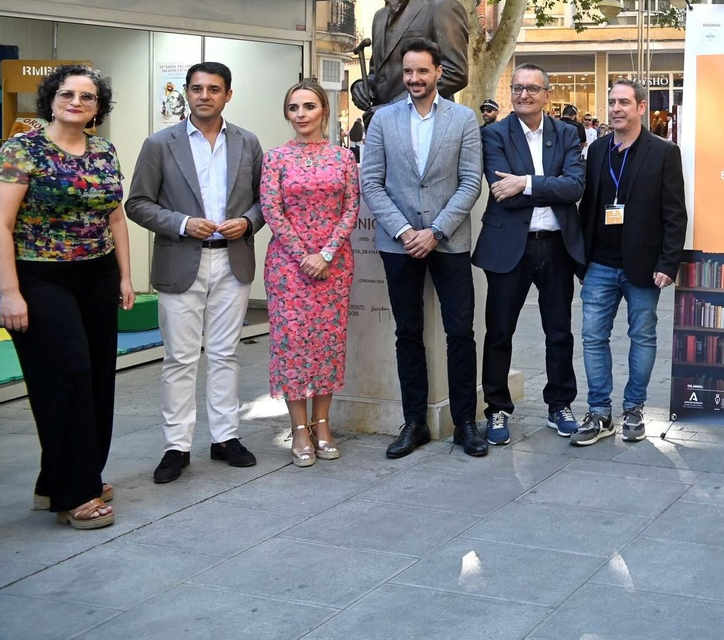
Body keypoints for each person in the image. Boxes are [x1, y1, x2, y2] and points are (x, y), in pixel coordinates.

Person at [0, 66, 134, 529]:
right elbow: (1, 224)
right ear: (50, 98)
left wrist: (124, 276)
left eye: (88, 96)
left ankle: (63, 478)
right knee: (67, 375)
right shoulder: (22, 149)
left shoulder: (103, 151)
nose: (76, 101)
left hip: (97, 276)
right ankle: (75, 495)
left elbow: (115, 217)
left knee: (98, 378)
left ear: (99, 107)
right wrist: (9, 293)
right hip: (40, 277)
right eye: (67, 93)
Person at [126, 62, 266, 483]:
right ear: (186, 93)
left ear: (228, 95)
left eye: (214, 89)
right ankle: (176, 446)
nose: (205, 95)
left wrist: (249, 221)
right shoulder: (159, 144)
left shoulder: (248, 142)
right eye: (197, 89)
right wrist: (183, 223)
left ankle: (225, 438)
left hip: (232, 259)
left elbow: (265, 200)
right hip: (180, 258)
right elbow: (137, 204)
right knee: (180, 358)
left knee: (226, 353)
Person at [359, 38, 486, 458]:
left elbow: (471, 181)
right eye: (408, 71)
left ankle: (465, 422)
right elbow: (371, 182)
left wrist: (435, 230)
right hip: (398, 245)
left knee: (460, 333)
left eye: (422, 71)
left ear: (438, 73)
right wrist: (402, 230)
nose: (414, 78)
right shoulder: (382, 120)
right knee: (407, 333)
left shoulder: (464, 119)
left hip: (448, 243)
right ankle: (414, 422)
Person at [473, 64, 585, 443]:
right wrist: (540, 186)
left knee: (559, 331)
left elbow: (574, 188)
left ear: (546, 95)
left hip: (556, 246)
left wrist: (526, 182)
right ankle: (498, 410)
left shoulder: (567, 133)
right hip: (508, 248)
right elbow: (500, 189)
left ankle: (559, 404)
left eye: (532, 89)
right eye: (518, 89)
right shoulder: (493, 134)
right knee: (499, 332)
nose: (524, 95)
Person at [572, 79, 686, 446]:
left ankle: (634, 408)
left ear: (640, 107)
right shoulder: (599, 149)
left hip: (643, 266)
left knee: (643, 336)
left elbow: (674, 214)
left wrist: (668, 263)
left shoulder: (664, 152)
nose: (616, 108)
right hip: (600, 265)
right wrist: (582, 259)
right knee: (592, 338)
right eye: (612, 102)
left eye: (624, 102)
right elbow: (588, 206)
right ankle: (599, 412)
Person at [259, 81, 361, 467]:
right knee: (292, 344)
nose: (301, 114)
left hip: (335, 264)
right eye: (293, 107)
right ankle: (299, 427)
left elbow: (351, 207)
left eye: (308, 106)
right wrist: (305, 255)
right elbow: (271, 209)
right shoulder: (275, 158)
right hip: (288, 266)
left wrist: (328, 252)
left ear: (324, 111)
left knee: (329, 344)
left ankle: (323, 423)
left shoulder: (342, 157)